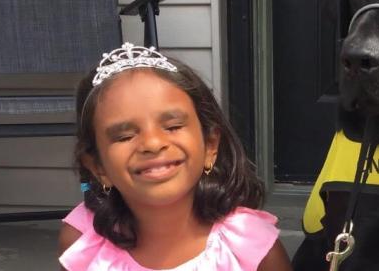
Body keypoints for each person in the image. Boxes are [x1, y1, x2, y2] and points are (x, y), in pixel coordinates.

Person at [58, 43, 291, 270]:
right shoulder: (84, 244)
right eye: (125, 136)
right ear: (98, 166)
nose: (152, 143)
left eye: (173, 126)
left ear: (210, 145)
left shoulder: (249, 246)